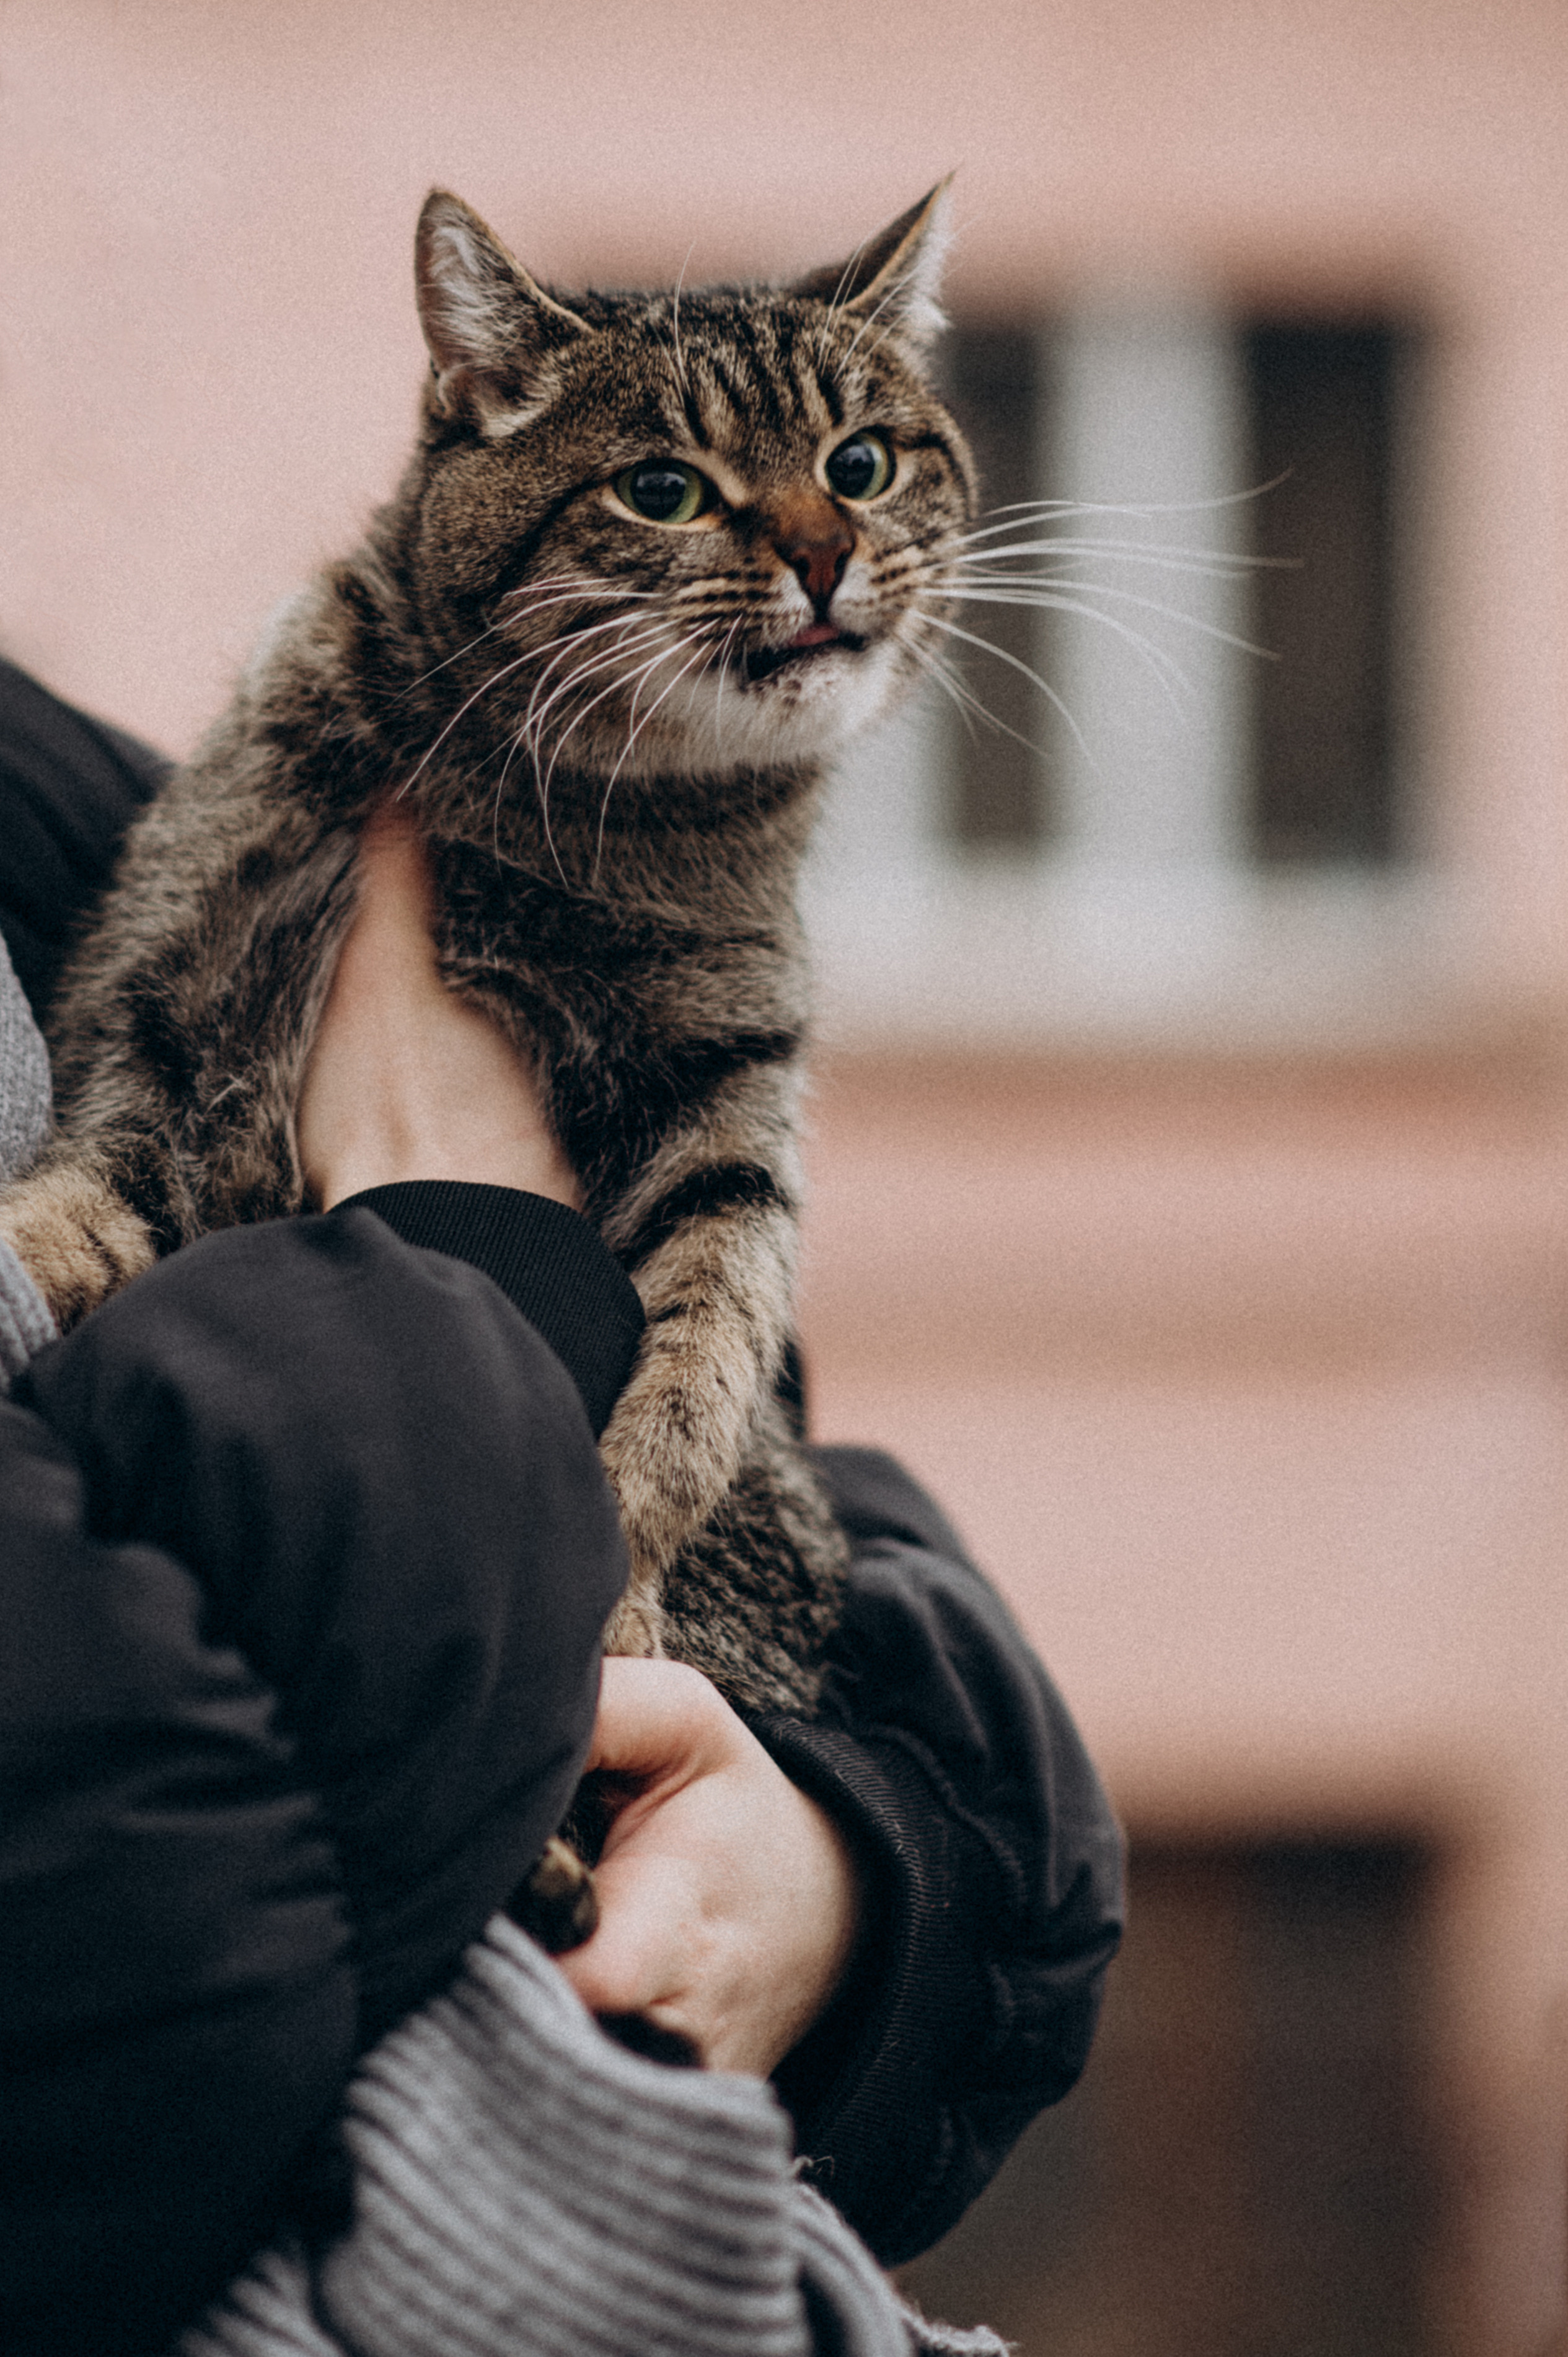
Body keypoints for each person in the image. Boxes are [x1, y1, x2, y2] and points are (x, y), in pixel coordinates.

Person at [0, 656, 1125, 2355]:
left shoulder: (57, 796)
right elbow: (142, 1929)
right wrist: (464, 1237)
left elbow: (810, 1498)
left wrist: (845, 1870)